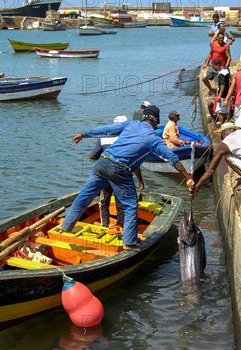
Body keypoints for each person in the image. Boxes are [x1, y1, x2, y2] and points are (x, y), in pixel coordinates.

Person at [60, 105, 195, 251]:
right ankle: (129, 242)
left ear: (143, 117)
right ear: (156, 122)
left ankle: (66, 226)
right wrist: (187, 177)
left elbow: (106, 130)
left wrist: (84, 133)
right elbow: (173, 159)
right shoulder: (153, 139)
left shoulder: (131, 124)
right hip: (119, 169)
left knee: (84, 196)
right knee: (130, 204)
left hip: (103, 161)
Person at [88, 115, 144, 229]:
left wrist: (102, 160)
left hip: (105, 173)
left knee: (104, 201)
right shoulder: (129, 140)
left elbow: (92, 155)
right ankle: (121, 225)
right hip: (121, 175)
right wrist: (140, 180)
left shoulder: (103, 138)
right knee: (121, 201)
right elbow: (134, 163)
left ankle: (104, 225)